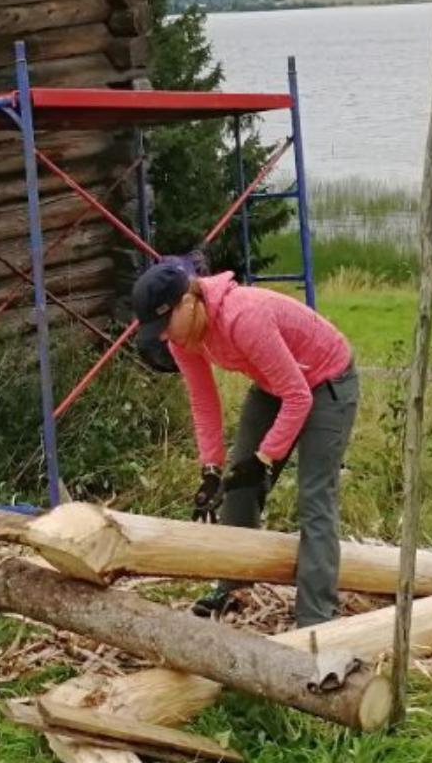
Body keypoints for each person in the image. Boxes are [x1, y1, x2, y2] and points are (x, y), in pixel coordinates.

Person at [132, 258, 359, 628]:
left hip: (327, 381)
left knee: (314, 496)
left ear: (187, 303)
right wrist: (210, 469)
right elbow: (204, 402)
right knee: (237, 486)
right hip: (276, 385)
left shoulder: (242, 317)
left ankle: (316, 617)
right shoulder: (182, 338)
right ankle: (233, 586)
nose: (163, 336)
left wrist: (265, 458)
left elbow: (299, 397)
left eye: (164, 324)